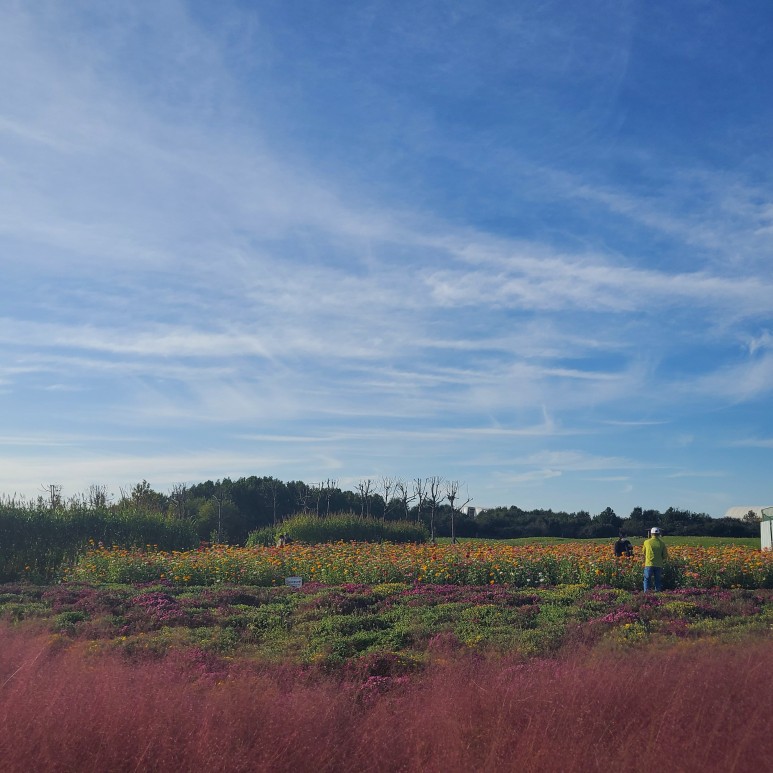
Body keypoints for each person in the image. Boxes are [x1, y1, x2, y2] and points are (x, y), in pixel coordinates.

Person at [642, 527, 668, 591]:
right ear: (659, 534)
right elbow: (665, 555)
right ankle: (658, 593)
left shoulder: (646, 542)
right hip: (659, 564)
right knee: (658, 580)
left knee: (647, 579)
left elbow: (643, 552)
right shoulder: (662, 543)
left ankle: (646, 593)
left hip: (649, 563)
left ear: (651, 534)